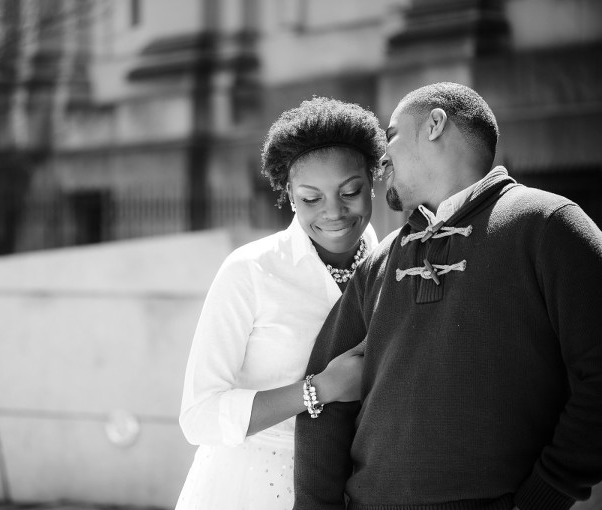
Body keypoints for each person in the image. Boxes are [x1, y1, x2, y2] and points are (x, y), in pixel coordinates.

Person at [294, 82, 602, 510]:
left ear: (435, 124)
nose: (383, 156)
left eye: (394, 133)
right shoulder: (380, 261)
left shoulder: (549, 225)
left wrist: (540, 499)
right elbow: (323, 408)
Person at [175, 97, 386, 509]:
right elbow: (198, 415)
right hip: (254, 487)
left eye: (350, 191)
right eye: (311, 198)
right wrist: (318, 390)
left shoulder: (396, 265)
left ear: (372, 183)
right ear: (289, 195)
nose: (334, 212)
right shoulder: (250, 271)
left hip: (363, 488)